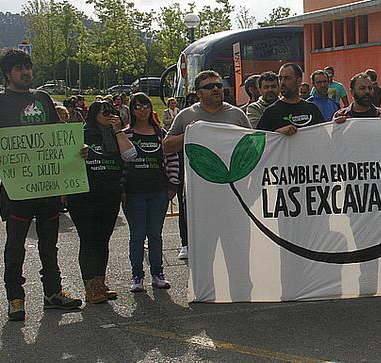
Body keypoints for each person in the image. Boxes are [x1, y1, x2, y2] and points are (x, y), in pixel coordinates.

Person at [0, 49, 82, 320]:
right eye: (19, 68)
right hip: (17, 187)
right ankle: (15, 298)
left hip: (48, 186)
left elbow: (60, 139)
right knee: (15, 245)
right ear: (8, 73)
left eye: (28, 67)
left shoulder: (42, 98)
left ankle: (53, 293)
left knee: (49, 243)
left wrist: (78, 152)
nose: (26, 72)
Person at [164, 70, 251, 260]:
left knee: (236, 250)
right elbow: (166, 146)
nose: (216, 89)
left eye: (219, 85)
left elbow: (252, 146)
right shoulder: (186, 116)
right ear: (198, 93)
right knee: (205, 253)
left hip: (233, 192)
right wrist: (190, 133)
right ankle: (204, 289)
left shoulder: (236, 115)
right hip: (200, 194)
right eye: (209, 86)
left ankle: (240, 289)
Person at [68, 101, 134, 304]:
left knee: (103, 240)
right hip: (84, 196)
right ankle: (90, 286)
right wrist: (78, 153)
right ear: (94, 113)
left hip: (110, 194)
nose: (109, 115)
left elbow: (130, 156)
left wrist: (117, 130)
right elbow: (66, 160)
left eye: (113, 112)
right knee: (89, 239)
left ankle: (100, 282)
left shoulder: (116, 135)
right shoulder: (81, 133)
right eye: (105, 112)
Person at [123, 93, 179, 292]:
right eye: (137, 107)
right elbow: (121, 163)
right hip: (134, 193)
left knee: (155, 234)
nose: (142, 110)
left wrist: (173, 185)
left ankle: (158, 273)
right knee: (137, 235)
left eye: (145, 106)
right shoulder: (126, 134)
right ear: (132, 109)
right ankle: (137, 275)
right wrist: (122, 190)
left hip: (158, 192)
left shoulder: (160, 133)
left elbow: (172, 159)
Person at [258, 63, 325, 135]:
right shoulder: (270, 112)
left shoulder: (312, 109)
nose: (282, 83)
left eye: (287, 78)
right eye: (280, 78)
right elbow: (257, 141)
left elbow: (325, 136)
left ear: (299, 81)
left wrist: (336, 122)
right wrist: (276, 134)